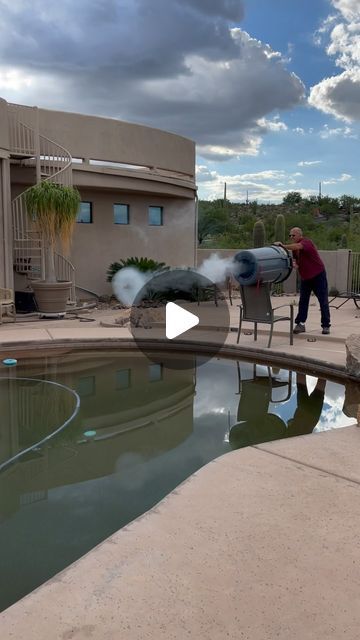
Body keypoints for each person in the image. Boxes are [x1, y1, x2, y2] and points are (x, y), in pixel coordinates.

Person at [275, 227, 331, 335]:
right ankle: (300, 324)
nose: (291, 237)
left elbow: (298, 246)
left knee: (323, 300)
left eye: (293, 235)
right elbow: (296, 261)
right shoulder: (295, 250)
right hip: (306, 277)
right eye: (290, 235)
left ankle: (326, 325)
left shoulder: (306, 242)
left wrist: (283, 246)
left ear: (300, 235)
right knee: (303, 301)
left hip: (318, 275)